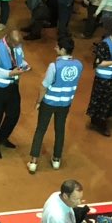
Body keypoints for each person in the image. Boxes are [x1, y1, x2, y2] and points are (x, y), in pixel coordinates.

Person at [27, 37, 83, 173]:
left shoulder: (54, 66)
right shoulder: (79, 65)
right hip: (65, 103)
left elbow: (44, 86)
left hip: (49, 102)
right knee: (60, 129)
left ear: (63, 50)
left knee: (41, 129)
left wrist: (38, 102)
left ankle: (34, 161)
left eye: (57, 47)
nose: (55, 48)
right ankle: (56, 160)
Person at [0, 30, 29, 159]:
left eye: (19, 44)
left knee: (14, 114)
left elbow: (20, 59)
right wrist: (10, 74)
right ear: (9, 40)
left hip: (13, 85)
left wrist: (24, 66)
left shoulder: (17, 46)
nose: (18, 46)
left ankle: (2, 137)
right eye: (16, 44)